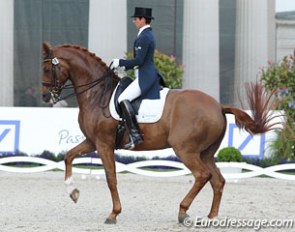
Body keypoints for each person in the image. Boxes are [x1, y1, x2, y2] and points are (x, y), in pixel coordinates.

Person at [110, 7, 161, 150]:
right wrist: (123, 67)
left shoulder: (145, 36)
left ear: (143, 20)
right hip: (143, 73)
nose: (134, 21)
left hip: (145, 76)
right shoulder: (145, 34)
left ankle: (135, 135)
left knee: (122, 99)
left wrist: (121, 62)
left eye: (136, 19)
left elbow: (139, 60)